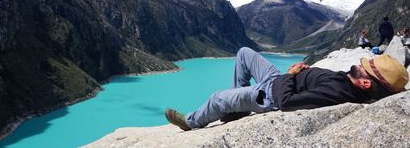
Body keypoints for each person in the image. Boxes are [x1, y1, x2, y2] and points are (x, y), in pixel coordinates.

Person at [165, 47, 408, 131]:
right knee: (244, 54)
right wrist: (305, 72)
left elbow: (287, 102)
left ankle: (191, 122)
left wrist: (292, 75)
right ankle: (236, 109)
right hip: (279, 79)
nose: (360, 64)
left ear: (366, 83)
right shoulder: (348, 83)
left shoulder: (338, 93)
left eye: (366, 67)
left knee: (217, 98)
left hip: (269, 95)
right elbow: (314, 84)